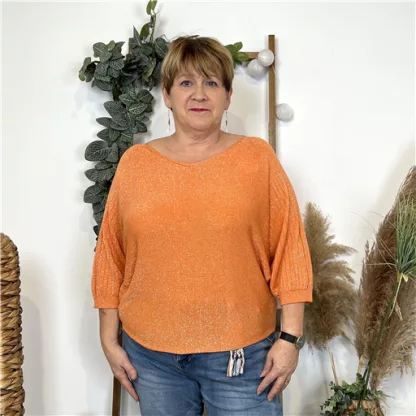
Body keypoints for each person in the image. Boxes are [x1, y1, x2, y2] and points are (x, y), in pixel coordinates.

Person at [91, 35, 313, 416]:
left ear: (228, 96)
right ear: (167, 94)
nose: (199, 94)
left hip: (242, 358)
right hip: (152, 359)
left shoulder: (256, 159)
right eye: (186, 82)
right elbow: (112, 254)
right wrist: (109, 340)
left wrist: (290, 339)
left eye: (211, 82)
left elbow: (289, 247)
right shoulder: (135, 165)